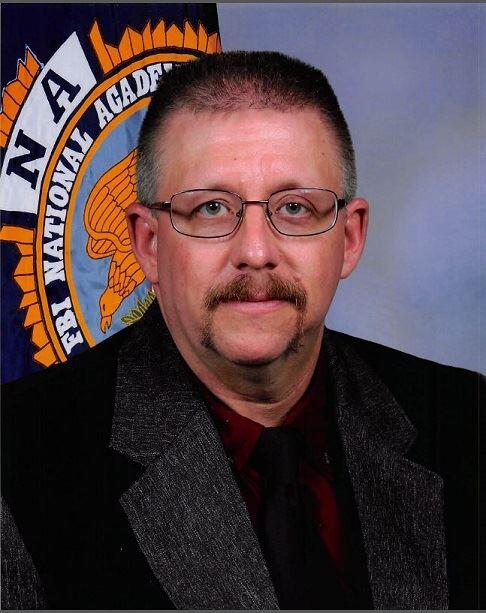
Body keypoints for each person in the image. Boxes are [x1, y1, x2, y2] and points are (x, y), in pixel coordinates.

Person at [1, 51, 481, 610]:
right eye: (210, 209)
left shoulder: (466, 423)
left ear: (349, 239)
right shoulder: (18, 466)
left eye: (296, 207)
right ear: (148, 244)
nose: (255, 253)